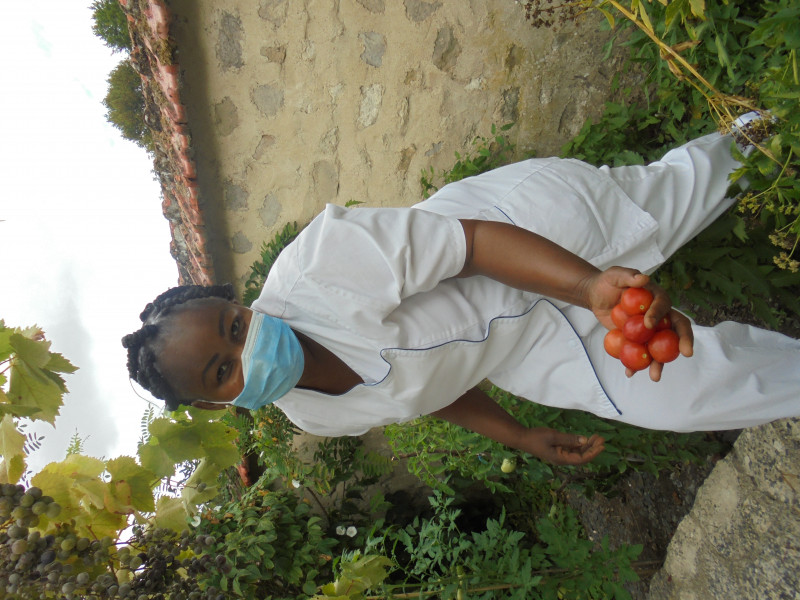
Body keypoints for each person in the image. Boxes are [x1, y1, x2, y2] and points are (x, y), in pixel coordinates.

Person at [123, 116, 800, 466]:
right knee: (683, 394)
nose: (249, 348)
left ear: (237, 307)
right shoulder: (312, 416)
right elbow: (423, 393)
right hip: (522, 347)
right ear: (216, 406)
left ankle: (773, 123)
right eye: (224, 369)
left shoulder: (319, 269)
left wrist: (587, 282)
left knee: (674, 198)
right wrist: (516, 432)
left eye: (236, 327)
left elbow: (471, 244)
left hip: (522, 235)